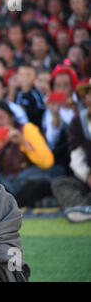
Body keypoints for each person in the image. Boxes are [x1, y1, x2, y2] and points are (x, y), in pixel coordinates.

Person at [0, 99, 55, 208]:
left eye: (1, 118)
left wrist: (23, 142)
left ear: (11, 118)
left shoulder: (26, 129)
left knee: (42, 181)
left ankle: (10, 205)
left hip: (28, 179)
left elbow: (47, 162)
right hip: (6, 185)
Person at [51, 78, 91, 223]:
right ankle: (81, 208)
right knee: (59, 183)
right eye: (89, 94)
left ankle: (80, 209)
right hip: (87, 178)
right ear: (85, 99)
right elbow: (76, 156)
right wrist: (87, 176)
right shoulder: (78, 120)